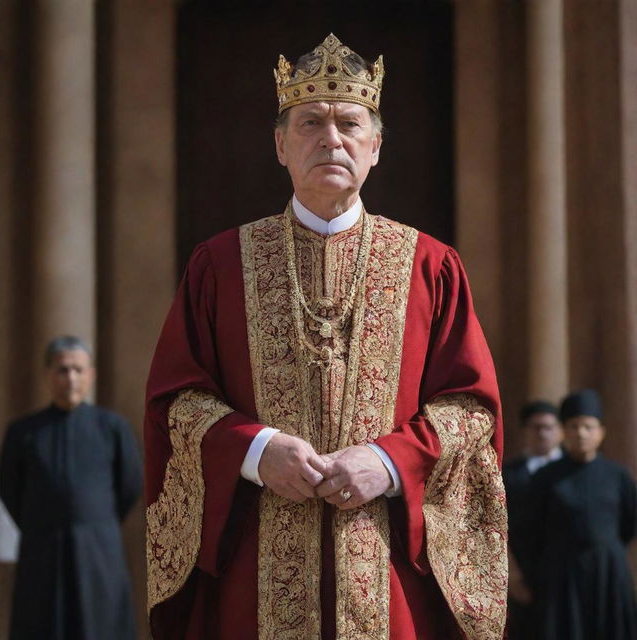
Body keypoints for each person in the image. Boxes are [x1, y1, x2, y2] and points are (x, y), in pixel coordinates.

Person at [145, 34, 507, 640]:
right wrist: (258, 452)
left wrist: (387, 462)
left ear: (376, 146)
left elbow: (471, 409)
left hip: (387, 569)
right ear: (280, 145)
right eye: (310, 123)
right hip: (253, 571)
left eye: (349, 124)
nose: (330, 139)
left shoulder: (430, 266)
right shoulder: (221, 264)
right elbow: (176, 403)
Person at [0, 335, 142, 640]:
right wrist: (41, 522)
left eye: (78, 370)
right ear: (48, 374)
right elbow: (9, 487)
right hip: (42, 550)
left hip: (99, 551)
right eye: (63, 370)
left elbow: (130, 484)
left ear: (91, 374)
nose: (71, 378)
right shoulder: (23, 432)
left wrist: (95, 521)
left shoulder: (112, 428)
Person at [526, 389, 637, 640]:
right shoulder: (546, 477)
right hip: (561, 575)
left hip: (608, 571)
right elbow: (532, 527)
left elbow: (629, 524)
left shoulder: (617, 476)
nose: (581, 433)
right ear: (564, 432)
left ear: (601, 432)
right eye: (574, 426)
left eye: (588, 426)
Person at [503, 401, 563, 639]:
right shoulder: (508, 472)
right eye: (536, 427)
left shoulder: (574, 470)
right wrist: (513, 574)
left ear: (560, 430)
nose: (543, 434)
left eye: (549, 427)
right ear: (525, 431)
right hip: (521, 572)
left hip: (564, 573)